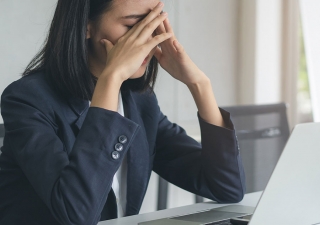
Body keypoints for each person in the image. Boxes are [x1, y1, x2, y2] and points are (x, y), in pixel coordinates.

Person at [0, 0, 245, 224]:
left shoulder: (139, 101)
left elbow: (227, 187)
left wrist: (199, 85)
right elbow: (77, 214)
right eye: (134, 26)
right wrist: (112, 77)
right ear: (86, 27)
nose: (148, 39)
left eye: (154, 25)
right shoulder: (27, 99)